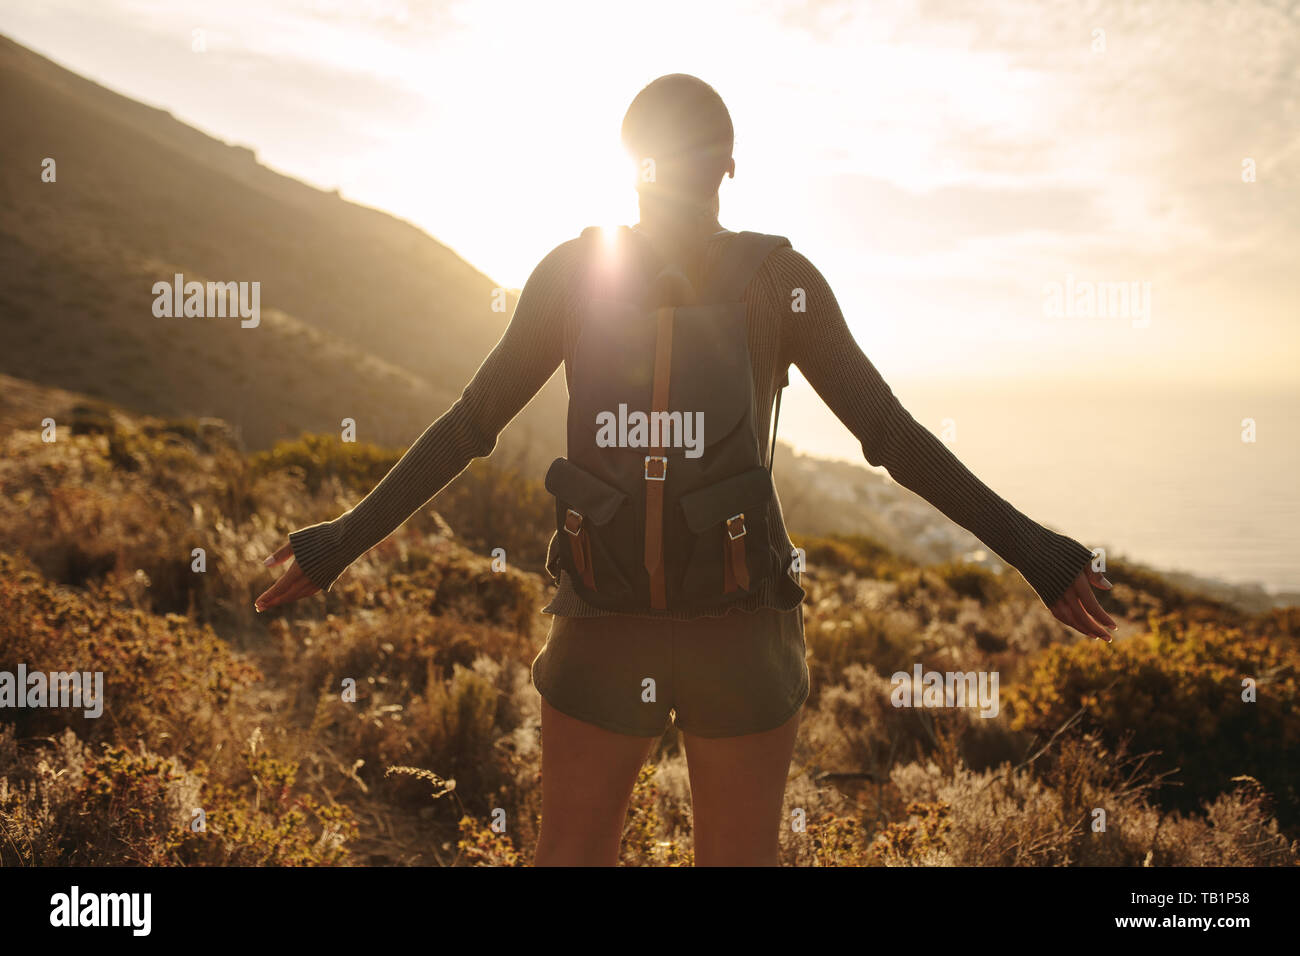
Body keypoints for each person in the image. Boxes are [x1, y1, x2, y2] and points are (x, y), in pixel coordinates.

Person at [254, 73, 1117, 866]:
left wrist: (340, 541)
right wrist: (1034, 551)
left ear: (632, 163)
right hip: (740, 624)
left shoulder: (572, 274)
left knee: (569, 856)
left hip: (603, 612)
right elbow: (890, 434)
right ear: (731, 166)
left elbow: (471, 426)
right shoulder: (781, 283)